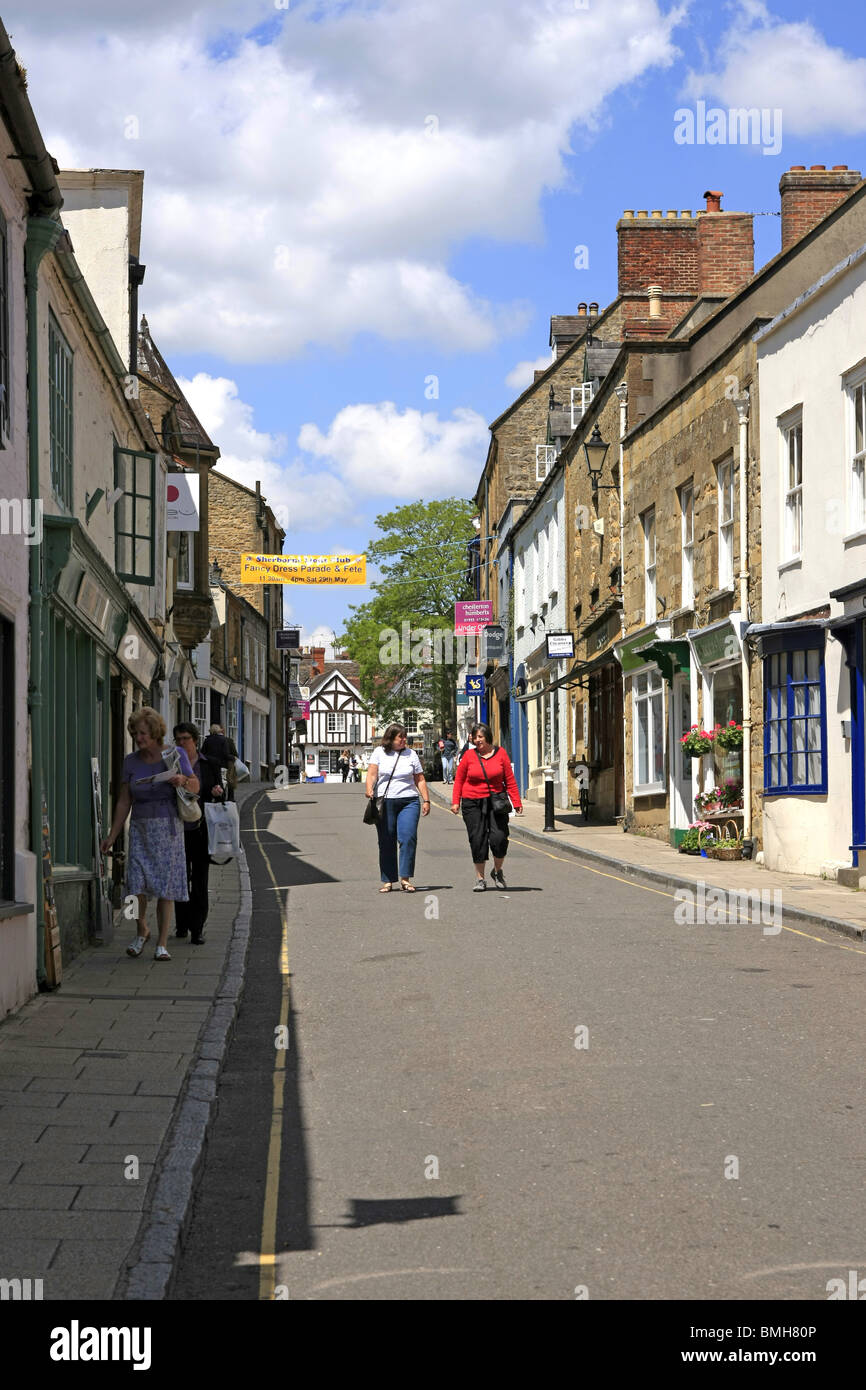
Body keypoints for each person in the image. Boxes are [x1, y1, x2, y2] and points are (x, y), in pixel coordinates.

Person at [101, 707, 199, 960]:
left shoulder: (174, 754)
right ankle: (141, 929)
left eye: (143, 733)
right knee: (136, 886)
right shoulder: (130, 762)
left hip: (168, 829)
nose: (138, 738)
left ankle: (162, 943)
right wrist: (112, 835)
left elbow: (195, 784)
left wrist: (182, 779)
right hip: (140, 829)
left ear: (155, 733)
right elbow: (124, 800)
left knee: (165, 888)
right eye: (135, 733)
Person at [450, 722, 522, 890]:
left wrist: (516, 802)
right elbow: (459, 779)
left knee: (499, 839)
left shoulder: (501, 754)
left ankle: (497, 871)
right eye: (474, 737)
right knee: (477, 840)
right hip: (472, 802)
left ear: (488, 737)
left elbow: (509, 780)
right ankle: (480, 878)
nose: (477, 740)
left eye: (480, 737)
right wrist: (455, 802)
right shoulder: (468, 756)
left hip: (496, 802)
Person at [172, 723, 225, 945]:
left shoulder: (209, 764)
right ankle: (182, 925)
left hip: (201, 829)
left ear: (195, 740)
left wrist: (217, 792)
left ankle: (198, 929)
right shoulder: (172, 765)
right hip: (177, 830)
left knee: (200, 881)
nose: (182, 743)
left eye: (185, 738)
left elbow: (221, 793)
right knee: (180, 879)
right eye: (178, 739)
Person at [365, 723, 431, 892]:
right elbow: (372, 773)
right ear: (390, 738)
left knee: (408, 838)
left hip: (409, 801)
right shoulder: (379, 752)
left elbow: (420, 778)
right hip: (385, 802)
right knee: (386, 840)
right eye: (400, 737)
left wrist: (426, 800)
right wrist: (369, 788)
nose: (404, 739)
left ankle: (405, 879)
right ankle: (388, 880)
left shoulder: (411, 754)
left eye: (404, 736)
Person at [202, 723, 238, 801]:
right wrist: (233, 758)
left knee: (211, 784)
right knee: (221, 784)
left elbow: (203, 754)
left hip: (209, 766)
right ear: (219, 731)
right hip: (221, 765)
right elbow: (226, 754)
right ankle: (221, 801)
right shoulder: (223, 740)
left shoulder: (207, 740)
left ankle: (209, 801)